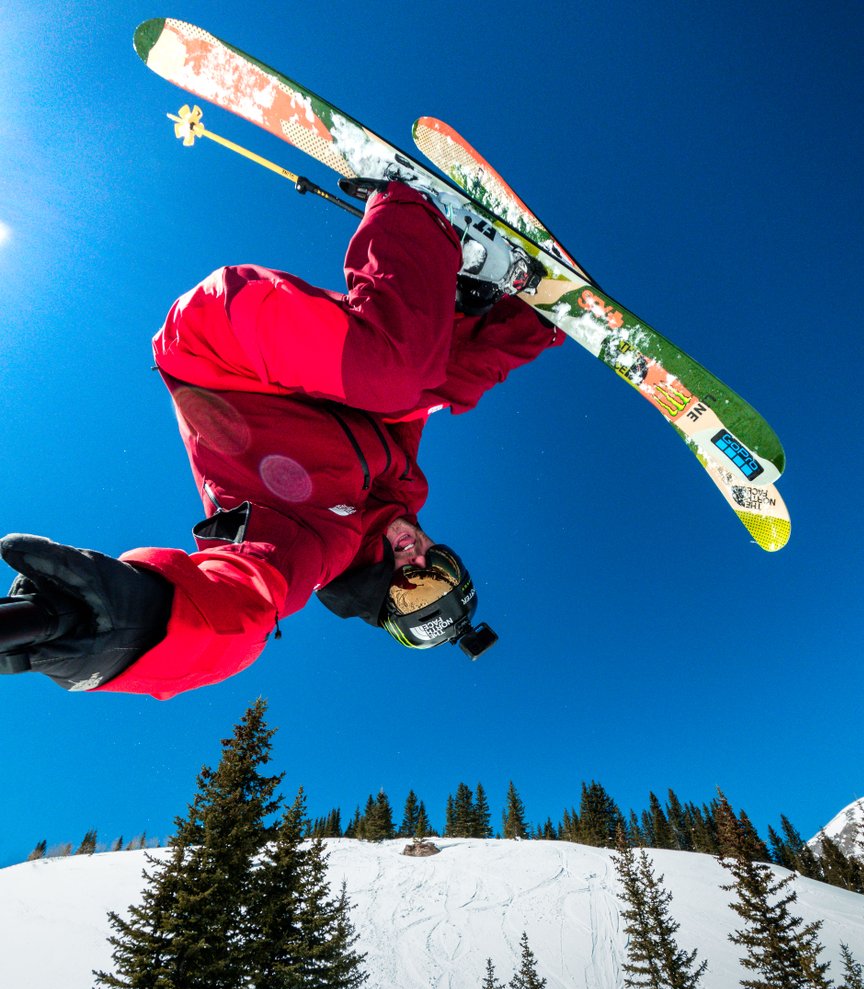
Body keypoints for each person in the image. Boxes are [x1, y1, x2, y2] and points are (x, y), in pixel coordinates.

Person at [0, 180, 562, 699]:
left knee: (397, 377)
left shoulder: (317, 545)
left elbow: (246, 596)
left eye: (411, 591)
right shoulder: (401, 488)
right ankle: (516, 311)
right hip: (297, 371)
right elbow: (426, 394)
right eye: (441, 568)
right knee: (433, 390)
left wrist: (142, 628)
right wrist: (502, 316)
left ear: (378, 601)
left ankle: (417, 208)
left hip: (214, 353)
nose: (416, 558)